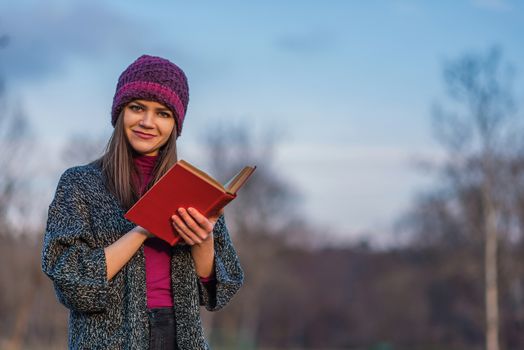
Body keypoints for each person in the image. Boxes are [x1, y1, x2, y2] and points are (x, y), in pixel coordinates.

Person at [41, 55, 244, 350]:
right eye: (138, 108)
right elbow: (73, 284)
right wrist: (143, 229)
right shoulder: (79, 184)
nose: (148, 122)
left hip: (180, 338)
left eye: (163, 113)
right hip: (108, 342)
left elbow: (219, 292)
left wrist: (204, 239)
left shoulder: (193, 188)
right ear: (120, 111)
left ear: (175, 123)